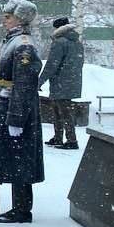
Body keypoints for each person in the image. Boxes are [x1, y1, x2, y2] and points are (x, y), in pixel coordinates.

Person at [0, 0, 45, 223]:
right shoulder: (15, 41)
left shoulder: (23, 44)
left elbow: (23, 84)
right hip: (6, 106)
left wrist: (16, 119)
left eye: (8, 16)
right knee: (13, 157)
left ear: (20, 19)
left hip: (14, 108)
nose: (4, 20)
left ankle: (21, 209)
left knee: (19, 159)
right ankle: (18, 206)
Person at [39, 16, 84, 150]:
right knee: (61, 110)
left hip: (60, 82)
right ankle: (58, 138)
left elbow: (52, 65)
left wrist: (40, 81)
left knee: (62, 112)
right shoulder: (77, 42)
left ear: (58, 29)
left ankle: (71, 140)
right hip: (71, 81)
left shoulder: (60, 42)